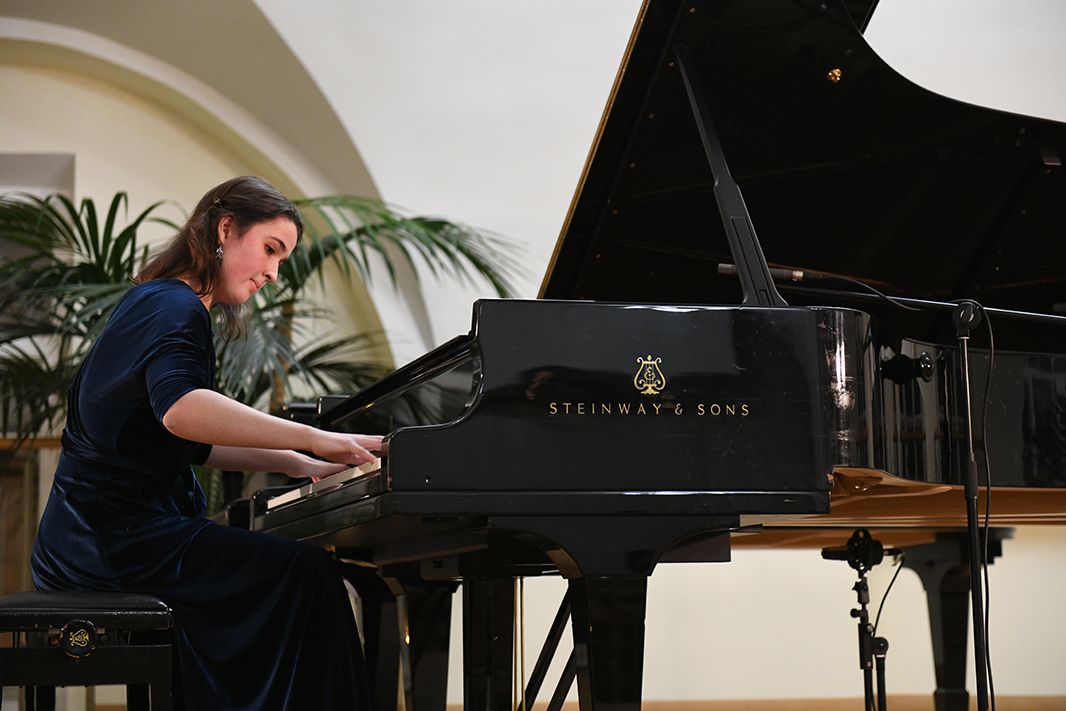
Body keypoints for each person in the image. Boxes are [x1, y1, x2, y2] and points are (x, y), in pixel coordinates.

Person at [32, 176, 379, 710]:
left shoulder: (159, 300)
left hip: (90, 535)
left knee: (290, 577)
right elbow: (182, 410)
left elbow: (192, 444)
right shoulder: (175, 306)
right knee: (308, 575)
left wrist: (299, 461)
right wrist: (316, 436)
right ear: (226, 229)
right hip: (112, 542)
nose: (274, 273)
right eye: (270, 249)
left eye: (282, 259)